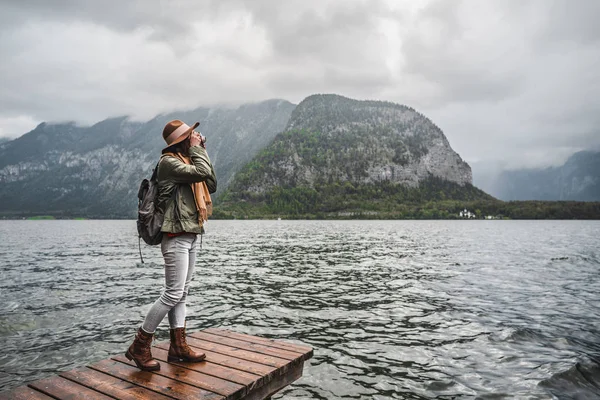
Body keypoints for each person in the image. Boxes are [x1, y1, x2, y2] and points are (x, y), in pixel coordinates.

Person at [125, 119, 217, 371]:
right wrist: (199, 151)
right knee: (173, 293)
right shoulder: (169, 163)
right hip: (174, 234)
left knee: (182, 292)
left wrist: (201, 151)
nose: (196, 137)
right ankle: (140, 345)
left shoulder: (189, 160)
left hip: (190, 232)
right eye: (191, 135)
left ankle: (178, 347)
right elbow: (201, 172)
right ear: (182, 140)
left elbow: (211, 183)